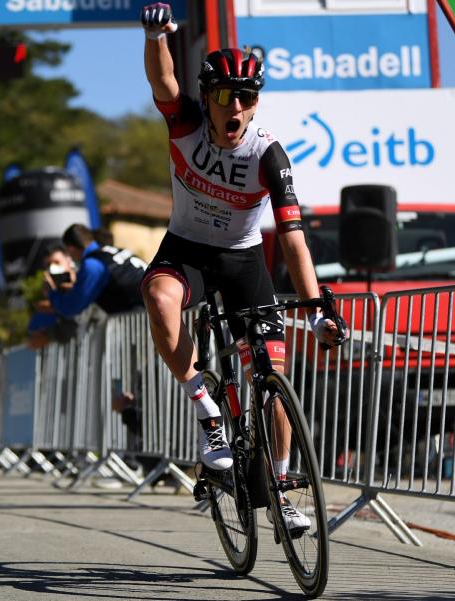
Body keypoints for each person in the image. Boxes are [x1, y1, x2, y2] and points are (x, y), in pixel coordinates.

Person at [139, 4, 347, 532]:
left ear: (256, 104)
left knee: (270, 376)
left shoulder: (268, 156)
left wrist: (319, 307)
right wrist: (158, 34)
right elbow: (162, 79)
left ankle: (280, 487)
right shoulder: (185, 122)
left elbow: (295, 241)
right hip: (186, 248)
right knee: (160, 299)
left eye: (246, 97)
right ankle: (208, 413)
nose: (235, 106)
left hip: (242, 258)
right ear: (206, 98)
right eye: (224, 95)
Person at [46, 223, 148, 318]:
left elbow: (70, 307)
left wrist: (52, 292)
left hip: (141, 321)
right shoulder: (113, 251)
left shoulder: (93, 265)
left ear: (71, 248)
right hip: (153, 310)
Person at [26, 246, 79, 349]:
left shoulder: (83, 278)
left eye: (57, 262)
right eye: (48, 265)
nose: (52, 268)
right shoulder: (54, 293)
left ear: (68, 259)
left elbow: (72, 309)